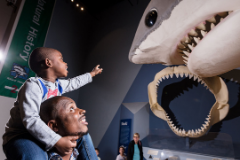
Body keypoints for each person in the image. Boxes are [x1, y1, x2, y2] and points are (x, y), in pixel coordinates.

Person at [2, 47, 103, 160]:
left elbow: (74, 83)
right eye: (61, 59)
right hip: (23, 136)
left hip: (47, 133)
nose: (65, 63)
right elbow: (30, 119)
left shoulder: (58, 85)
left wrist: (92, 74)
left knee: (83, 135)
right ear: (48, 62)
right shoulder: (33, 86)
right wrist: (57, 140)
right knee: (36, 157)